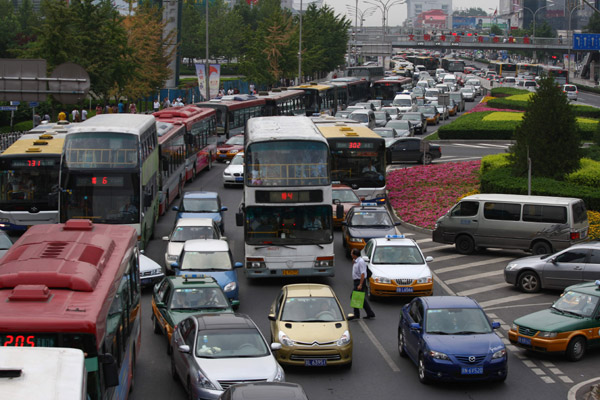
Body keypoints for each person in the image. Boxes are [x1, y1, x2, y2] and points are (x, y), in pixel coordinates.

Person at [350, 248, 375, 320]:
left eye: (352, 253)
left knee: (354, 296)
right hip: (356, 281)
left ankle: (356, 314)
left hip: (359, 281)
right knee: (360, 298)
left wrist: (360, 284)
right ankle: (370, 313)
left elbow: (363, 274)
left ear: (355, 255)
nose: (351, 254)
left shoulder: (360, 262)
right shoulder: (356, 261)